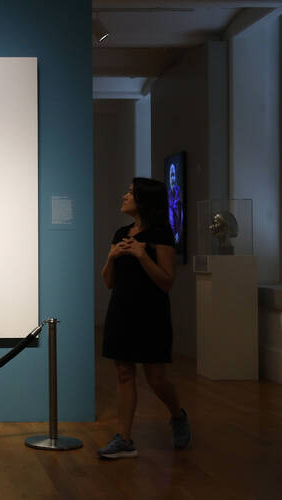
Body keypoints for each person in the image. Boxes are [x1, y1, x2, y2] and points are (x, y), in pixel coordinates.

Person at [98, 177, 191, 459]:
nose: (125, 196)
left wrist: (142, 255)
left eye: (130, 192)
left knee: (156, 378)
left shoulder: (162, 235)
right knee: (124, 374)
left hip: (151, 315)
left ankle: (177, 415)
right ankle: (124, 439)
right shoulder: (121, 233)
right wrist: (111, 258)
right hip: (121, 312)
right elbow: (108, 282)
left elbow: (166, 282)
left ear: (144, 199)